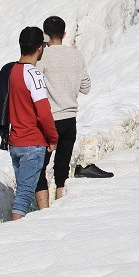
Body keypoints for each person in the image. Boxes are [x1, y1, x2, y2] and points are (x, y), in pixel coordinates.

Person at [0, 27, 58, 220]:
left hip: (15, 143)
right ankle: (14, 238)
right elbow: (44, 113)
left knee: (24, 191)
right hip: (33, 143)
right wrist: (53, 138)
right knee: (23, 197)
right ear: (39, 48)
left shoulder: (11, 71)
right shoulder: (34, 74)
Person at [35, 16, 92, 208]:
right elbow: (86, 87)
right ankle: (59, 209)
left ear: (45, 35)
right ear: (64, 34)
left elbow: (34, 86)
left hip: (48, 120)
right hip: (70, 119)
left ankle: (44, 210)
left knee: (40, 168)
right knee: (62, 168)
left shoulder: (42, 57)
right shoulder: (76, 56)